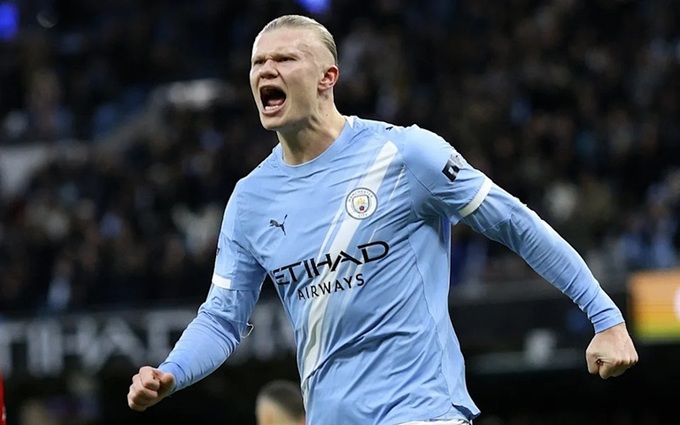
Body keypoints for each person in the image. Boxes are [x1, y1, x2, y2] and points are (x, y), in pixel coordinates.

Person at [127, 14, 638, 425]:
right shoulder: (250, 199)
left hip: (423, 411)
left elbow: (516, 224)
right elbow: (222, 319)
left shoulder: (404, 154)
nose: (266, 71)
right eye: (258, 62)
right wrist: (171, 372)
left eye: (284, 58)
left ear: (328, 77)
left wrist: (606, 317)